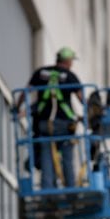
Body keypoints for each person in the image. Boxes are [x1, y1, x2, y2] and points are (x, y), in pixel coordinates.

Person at [15, 46, 83, 189]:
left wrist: (17, 107)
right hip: (64, 125)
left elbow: (25, 92)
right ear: (68, 61)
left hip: (45, 124)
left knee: (47, 156)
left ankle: (48, 189)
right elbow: (81, 99)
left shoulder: (41, 73)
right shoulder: (70, 76)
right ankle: (70, 189)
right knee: (67, 158)